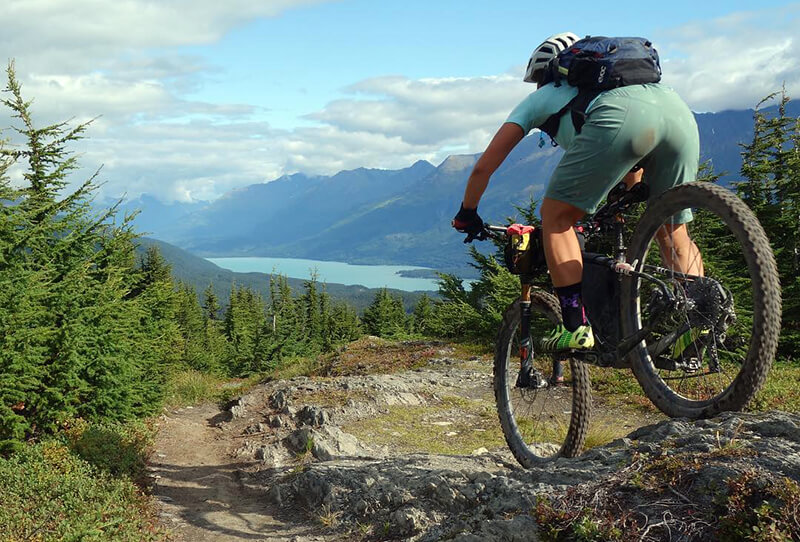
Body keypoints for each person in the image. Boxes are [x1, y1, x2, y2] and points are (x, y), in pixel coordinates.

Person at [452, 32, 702, 353]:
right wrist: (625, 192)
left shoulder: (545, 96)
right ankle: (701, 320)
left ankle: (575, 327)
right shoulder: (617, 84)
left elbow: (483, 168)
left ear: (543, 73)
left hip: (621, 119)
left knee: (556, 218)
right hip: (677, 111)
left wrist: (467, 213)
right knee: (672, 230)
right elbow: (634, 149)